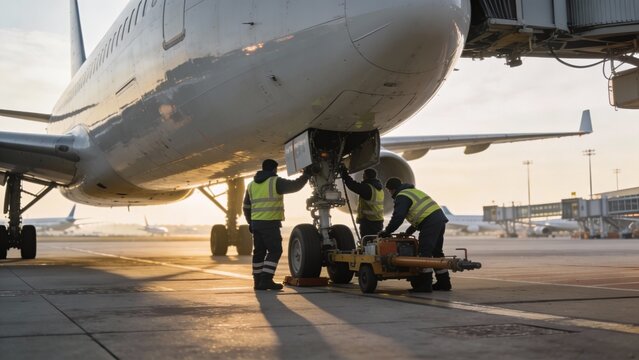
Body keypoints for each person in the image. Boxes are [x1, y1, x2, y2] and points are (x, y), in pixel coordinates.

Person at [243, 159, 310, 291]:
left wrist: (250, 223)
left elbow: (246, 207)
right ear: (274, 169)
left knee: (259, 252)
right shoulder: (275, 181)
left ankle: (257, 282)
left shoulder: (251, 185)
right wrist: (306, 175)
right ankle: (266, 279)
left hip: (256, 224)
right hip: (270, 223)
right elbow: (295, 186)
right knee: (275, 251)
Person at [378, 177, 451, 292]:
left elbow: (398, 217)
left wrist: (386, 232)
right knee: (437, 252)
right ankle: (444, 283)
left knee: (424, 253)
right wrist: (408, 232)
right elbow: (421, 214)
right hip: (439, 220)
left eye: (389, 191)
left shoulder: (401, 196)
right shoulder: (413, 192)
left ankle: (424, 286)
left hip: (430, 222)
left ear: (391, 189)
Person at [339, 165, 384, 236]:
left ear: (366, 176)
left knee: (368, 242)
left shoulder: (367, 188)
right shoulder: (378, 188)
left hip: (369, 222)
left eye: (363, 175)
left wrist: (345, 174)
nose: (362, 176)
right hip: (378, 220)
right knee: (375, 241)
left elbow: (353, 185)